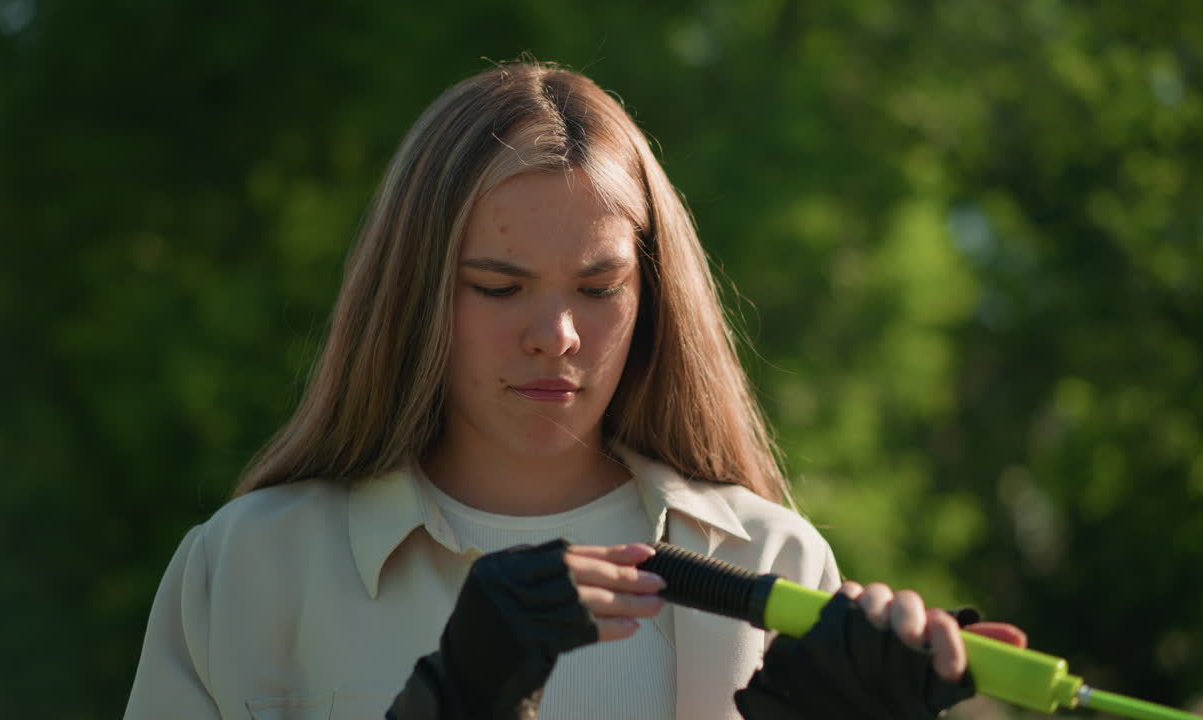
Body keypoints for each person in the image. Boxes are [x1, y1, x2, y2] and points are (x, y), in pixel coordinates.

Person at [123, 61, 1024, 720]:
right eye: (498, 286)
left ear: (653, 297)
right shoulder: (249, 569)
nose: (554, 334)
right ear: (413, 295)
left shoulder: (772, 559)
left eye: (598, 290)